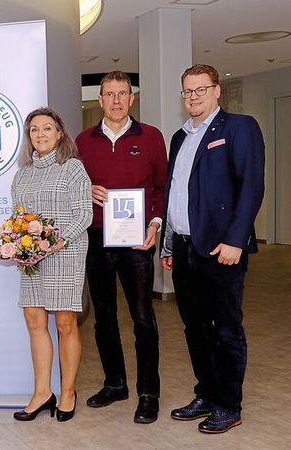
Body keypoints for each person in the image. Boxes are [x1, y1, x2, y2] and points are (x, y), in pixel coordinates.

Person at [161, 64, 265, 434]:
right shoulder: (179, 137)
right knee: (195, 329)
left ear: (216, 90)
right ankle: (206, 393)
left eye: (200, 90)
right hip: (186, 249)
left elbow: (251, 186)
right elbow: (175, 194)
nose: (193, 97)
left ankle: (228, 404)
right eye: (187, 91)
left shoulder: (239, 127)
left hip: (222, 249)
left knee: (226, 330)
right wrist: (169, 243)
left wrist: (236, 240)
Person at [75, 71, 167, 424]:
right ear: (99, 101)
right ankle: (115, 383)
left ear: (132, 99)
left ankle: (148, 392)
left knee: (143, 317)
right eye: (109, 94)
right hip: (97, 238)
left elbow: (161, 187)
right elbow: (73, 187)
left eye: (122, 94)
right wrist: (87, 191)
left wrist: (155, 225)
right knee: (104, 317)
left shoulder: (151, 137)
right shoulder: (84, 141)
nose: (115, 100)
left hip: (137, 239)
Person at [11, 107, 92, 423]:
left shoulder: (72, 169)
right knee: (34, 321)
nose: (40, 134)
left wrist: (55, 243)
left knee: (65, 324)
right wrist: (20, 245)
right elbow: (18, 219)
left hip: (65, 254)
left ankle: (68, 391)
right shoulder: (22, 174)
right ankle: (42, 392)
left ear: (60, 133)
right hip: (32, 259)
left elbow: (83, 214)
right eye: (34, 130)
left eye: (46, 128)